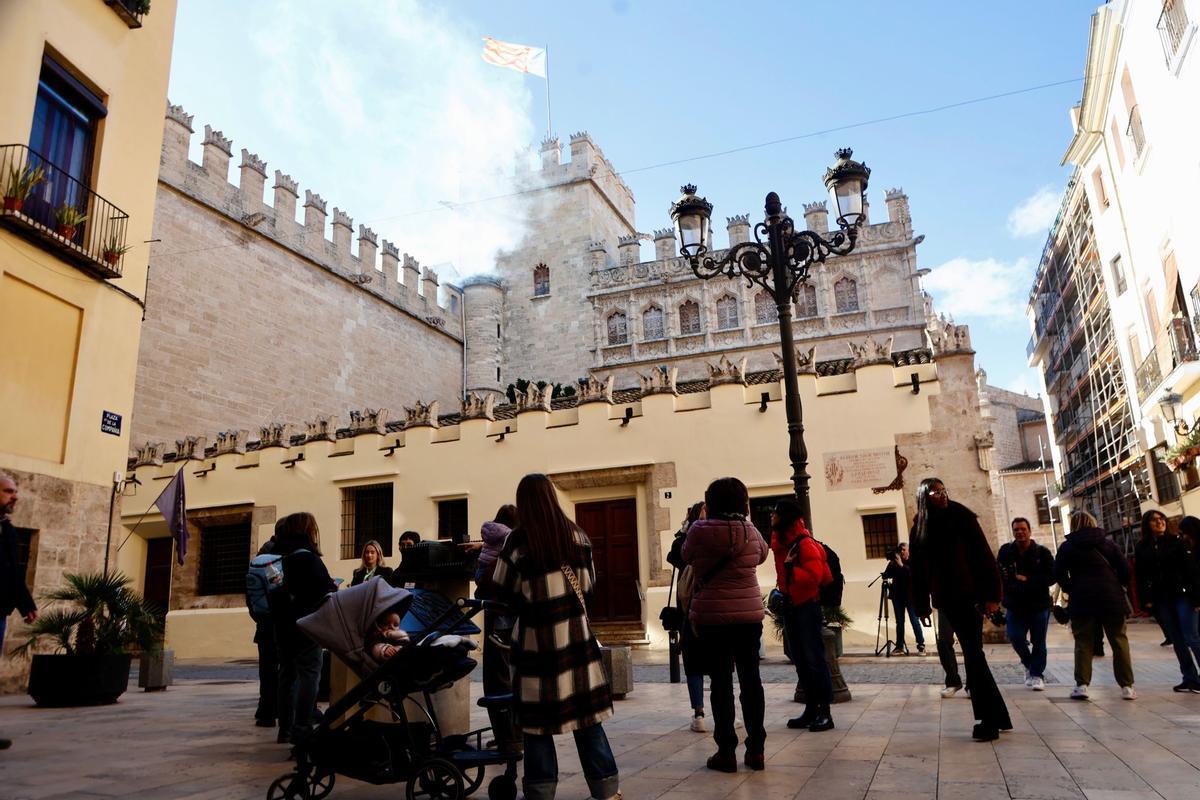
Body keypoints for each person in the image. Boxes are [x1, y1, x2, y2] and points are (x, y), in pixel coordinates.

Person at [491, 474, 621, 800]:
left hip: (535, 647)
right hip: (576, 643)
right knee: (588, 723)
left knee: (536, 729)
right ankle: (607, 791)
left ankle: (540, 793)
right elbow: (589, 585)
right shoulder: (577, 536)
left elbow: (502, 590)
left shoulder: (517, 543)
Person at [909, 477, 1011, 741]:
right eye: (935, 492)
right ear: (924, 496)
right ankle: (997, 716)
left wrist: (991, 595)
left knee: (973, 654)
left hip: (970, 596)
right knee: (974, 654)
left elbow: (984, 557)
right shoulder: (921, 528)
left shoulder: (962, 517)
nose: (942, 495)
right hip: (947, 598)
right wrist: (921, 606)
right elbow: (918, 572)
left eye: (944, 490)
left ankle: (988, 720)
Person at [683, 477, 770, 772]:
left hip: (712, 619)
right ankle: (756, 749)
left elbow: (685, 555)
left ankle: (726, 751)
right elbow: (762, 554)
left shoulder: (699, 530)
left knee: (720, 684)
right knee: (751, 682)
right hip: (748, 617)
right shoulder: (751, 530)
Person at [1053, 509, 1135, 701]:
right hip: (1111, 597)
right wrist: (1117, 584)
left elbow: (1058, 573)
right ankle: (1127, 686)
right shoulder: (1108, 544)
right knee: (1119, 641)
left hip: (1082, 598)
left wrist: (1070, 586)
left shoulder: (1067, 547)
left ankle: (1082, 685)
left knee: (1083, 642)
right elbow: (1125, 570)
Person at [271, 512, 337, 744]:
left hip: (283, 626)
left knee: (286, 674)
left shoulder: (281, 558)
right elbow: (325, 589)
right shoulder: (308, 558)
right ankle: (302, 726)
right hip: (307, 626)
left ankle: (285, 728)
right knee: (310, 674)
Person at [771, 498, 835, 733]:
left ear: (784, 517)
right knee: (800, 659)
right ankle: (810, 709)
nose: (771, 516)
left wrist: (790, 569)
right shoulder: (783, 543)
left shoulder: (803, 543)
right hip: (791, 605)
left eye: (775, 512)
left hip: (807, 606)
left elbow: (814, 577)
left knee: (814, 659)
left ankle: (825, 712)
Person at [472, 504, 521, 754]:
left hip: (497, 614)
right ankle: (515, 735)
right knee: (513, 676)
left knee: (496, 676)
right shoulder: (515, 542)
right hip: (513, 615)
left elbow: (485, 579)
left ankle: (507, 738)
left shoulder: (492, 539)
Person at [1134, 509, 1200, 692]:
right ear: (1147, 524)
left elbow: (1190, 571)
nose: (1159, 522)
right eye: (1154, 520)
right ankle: (1190, 677)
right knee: (1177, 640)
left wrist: (1197, 598)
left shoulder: (1176, 542)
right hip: (1161, 598)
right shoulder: (1142, 547)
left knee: (1191, 637)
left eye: (1162, 519)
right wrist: (1145, 599)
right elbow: (1140, 575)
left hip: (1182, 595)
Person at [0, 473, 37, 751]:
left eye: (15, 491)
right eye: (9, 491)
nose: (15, 496)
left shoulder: (7, 529)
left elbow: (13, 571)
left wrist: (26, 604)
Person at [997, 517, 1054, 691]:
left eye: (1023, 529)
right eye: (1016, 530)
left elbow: (1052, 577)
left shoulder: (1042, 553)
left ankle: (1037, 675)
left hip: (1038, 605)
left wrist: (1029, 580)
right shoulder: (1006, 551)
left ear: (1029, 531)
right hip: (1015, 605)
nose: (1020, 532)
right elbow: (999, 573)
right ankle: (1030, 665)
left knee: (1039, 642)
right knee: (1015, 637)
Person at [666, 502, 708, 732]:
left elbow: (675, 557)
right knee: (718, 660)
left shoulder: (685, 540)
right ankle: (724, 711)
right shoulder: (715, 535)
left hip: (689, 607)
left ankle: (699, 712)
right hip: (711, 605)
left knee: (693, 662)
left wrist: (687, 530)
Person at [253, 525, 281, 728]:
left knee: (267, 671)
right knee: (279, 670)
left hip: (263, 623)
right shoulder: (275, 556)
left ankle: (265, 710)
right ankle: (271, 711)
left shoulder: (259, 556)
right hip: (276, 624)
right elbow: (278, 588)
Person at [883, 542, 925, 656]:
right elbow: (886, 575)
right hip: (897, 597)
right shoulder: (895, 562)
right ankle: (899, 646)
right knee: (899, 622)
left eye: (903, 549)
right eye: (900, 550)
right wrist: (892, 563)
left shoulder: (913, 561)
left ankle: (921, 645)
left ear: (908, 550)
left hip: (911, 597)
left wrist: (902, 565)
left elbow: (914, 574)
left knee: (914, 621)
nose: (902, 552)